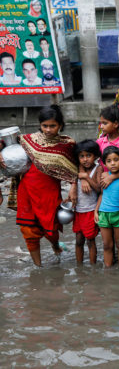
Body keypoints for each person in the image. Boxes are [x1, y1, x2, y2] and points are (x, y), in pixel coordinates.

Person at [0, 105, 77, 267]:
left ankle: (56, 246)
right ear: (40, 125)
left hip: (50, 193)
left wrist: (73, 186)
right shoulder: (28, 140)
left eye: (52, 126)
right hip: (26, 192)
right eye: (45, 126)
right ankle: (38, 267)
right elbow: (5, 144)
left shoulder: (67, 145)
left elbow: (74, 170)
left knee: (52, 230)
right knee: (29, 232)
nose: (48, 130)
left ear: (60, 125)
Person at [94, 146, 119, 267]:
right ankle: (108, 271)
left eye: (116, 160)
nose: (113, 163)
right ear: (104, 163)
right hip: (104, 214)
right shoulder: (104, 176)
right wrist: (96, 211)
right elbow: (102, 195)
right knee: (107, 245)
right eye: (109, 161)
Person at [73, 140, 102, 265]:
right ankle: (79, 266)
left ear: (95, 156)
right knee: (79, 240)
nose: (85, 159)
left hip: (90, 210)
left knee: (91, 241)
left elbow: (98, 188)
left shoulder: (98, 168)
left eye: (88, 156)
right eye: (82, 156)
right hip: (78, 210)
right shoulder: (77, 168)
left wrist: (86, 177)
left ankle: (93, 267)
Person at [96, 105, 119, 186]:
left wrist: (112, 177)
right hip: (103, 183)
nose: (101, 126)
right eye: (101, 123)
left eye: (105, 123)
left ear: (116, 124)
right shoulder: (100, 142)